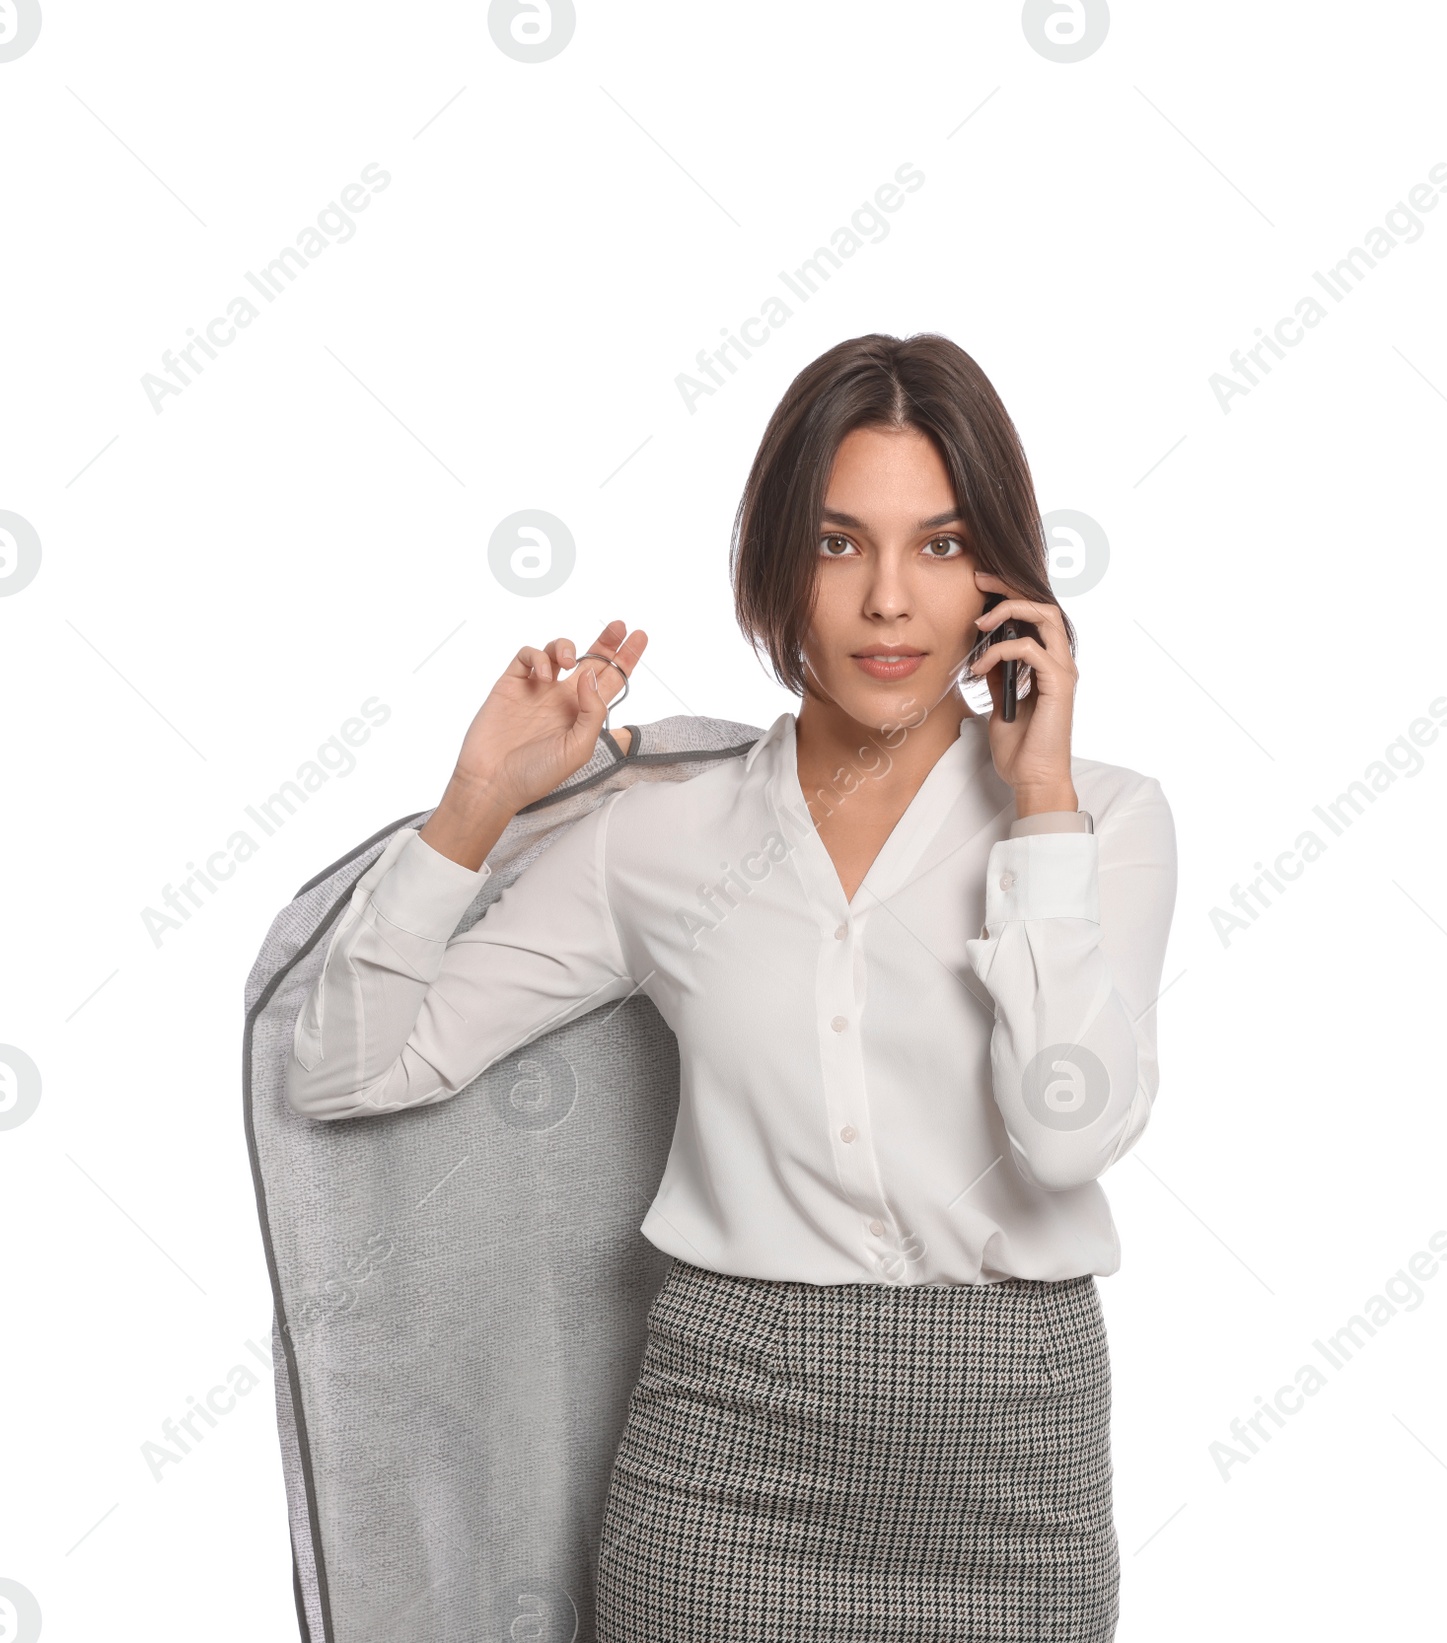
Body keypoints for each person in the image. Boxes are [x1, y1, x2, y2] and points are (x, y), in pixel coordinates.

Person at [284, 332, 1178, 1642]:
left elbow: (1068, 1135)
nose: (887, 601)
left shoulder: (1103, 818)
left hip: (1011, 1474)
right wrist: (476, 806)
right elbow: (351, 1068)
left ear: (999, 573)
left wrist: (1038, 805)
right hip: (730, 1462)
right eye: (836, 543)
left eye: (937, 545)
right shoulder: (662, 841)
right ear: (773, 563)